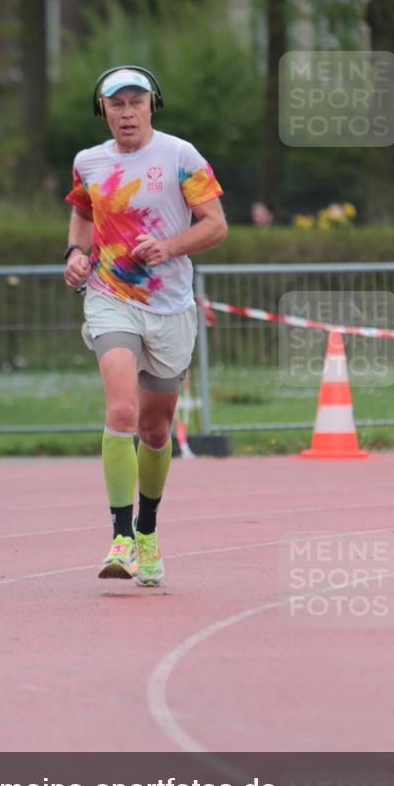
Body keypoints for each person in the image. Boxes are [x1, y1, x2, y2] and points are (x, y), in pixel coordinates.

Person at [63, 66, 227, 586]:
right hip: (112, 298)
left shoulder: (181, 156)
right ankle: (121, 537)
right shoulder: (88, 162)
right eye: (116, 104)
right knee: (121, 409)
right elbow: (84, 215)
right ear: (103, 111)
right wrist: (75, 253)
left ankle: (149, 530)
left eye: (136, 102)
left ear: (152, 105)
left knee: (156, 429)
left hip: (171, 307)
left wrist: (169, 247)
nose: (127, 113)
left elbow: (217, 226)